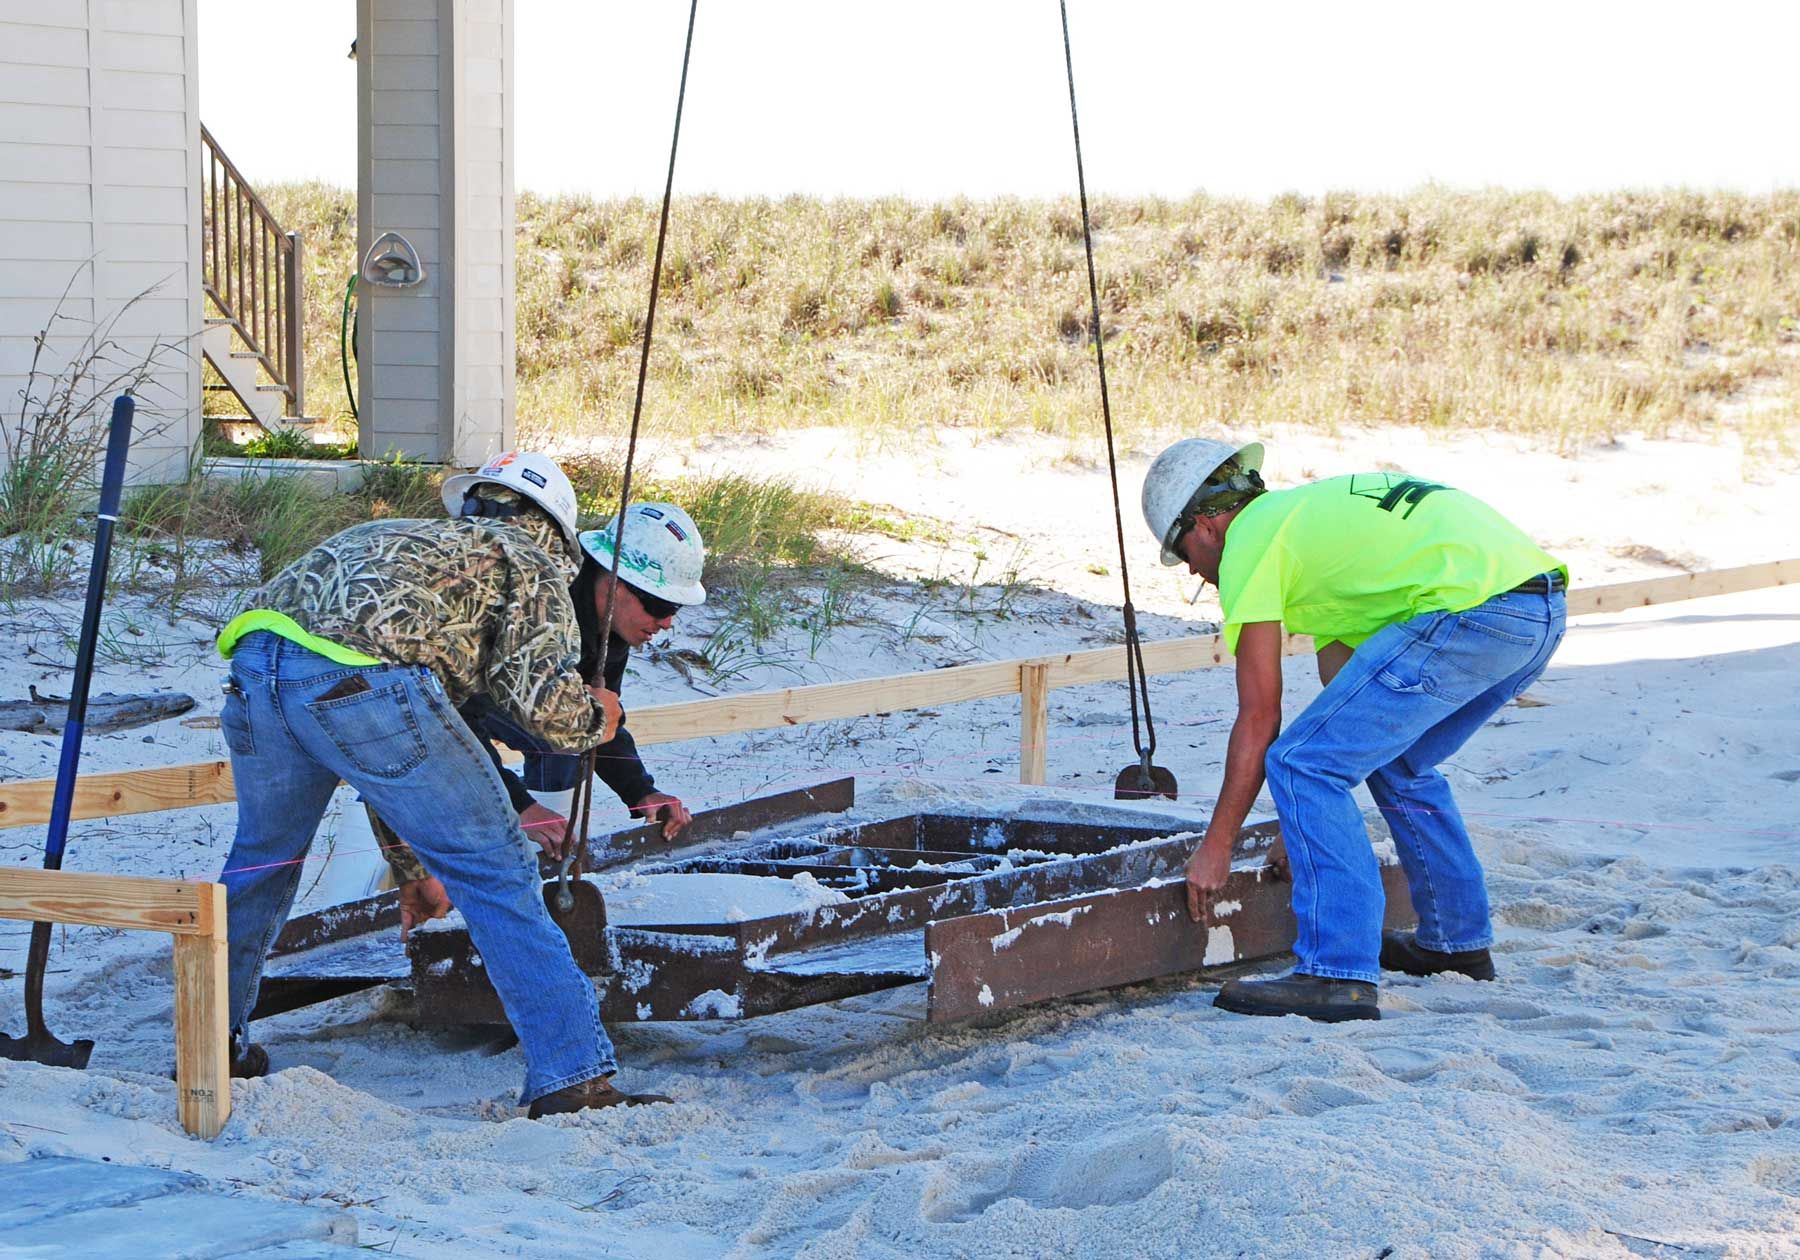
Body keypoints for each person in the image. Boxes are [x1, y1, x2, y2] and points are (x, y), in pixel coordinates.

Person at [212, 450, 668, 1116]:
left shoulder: (399, 541)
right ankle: (573, 1074)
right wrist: (599, 716)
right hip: (364, 680)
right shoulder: (530, 558)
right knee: (499, 869)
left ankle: (211, 1044)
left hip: (256, 665)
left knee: (264, 861)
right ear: (559, 530)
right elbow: (536, 701)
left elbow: (373, 743)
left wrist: (411, 869)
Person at [1142, 439, 1567, 1022]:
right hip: (1536, 610)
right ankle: (1456, 944)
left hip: (1472, 610)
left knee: (1297, 762)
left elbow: (1262, 716)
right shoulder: (1309, 533)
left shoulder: (1251, 545)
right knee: (1400, 763)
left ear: (1208, 522)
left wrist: (1216, 846)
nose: (1190, 568)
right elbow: (1348, 717)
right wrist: (1304, 826)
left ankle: (1335, 973)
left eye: (1181, 549)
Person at [376, 495, 709, 894]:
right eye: (659, 605)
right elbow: (450, 725)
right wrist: (518, 807)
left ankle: (549, 856)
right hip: (417, 699)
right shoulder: (540, 607)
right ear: (615, 584)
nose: (667, 622)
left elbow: (600, 720)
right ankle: (410, 883)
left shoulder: (612, 628)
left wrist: (640, 790)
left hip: (500, 700)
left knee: (570, 732)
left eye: (675, 608)